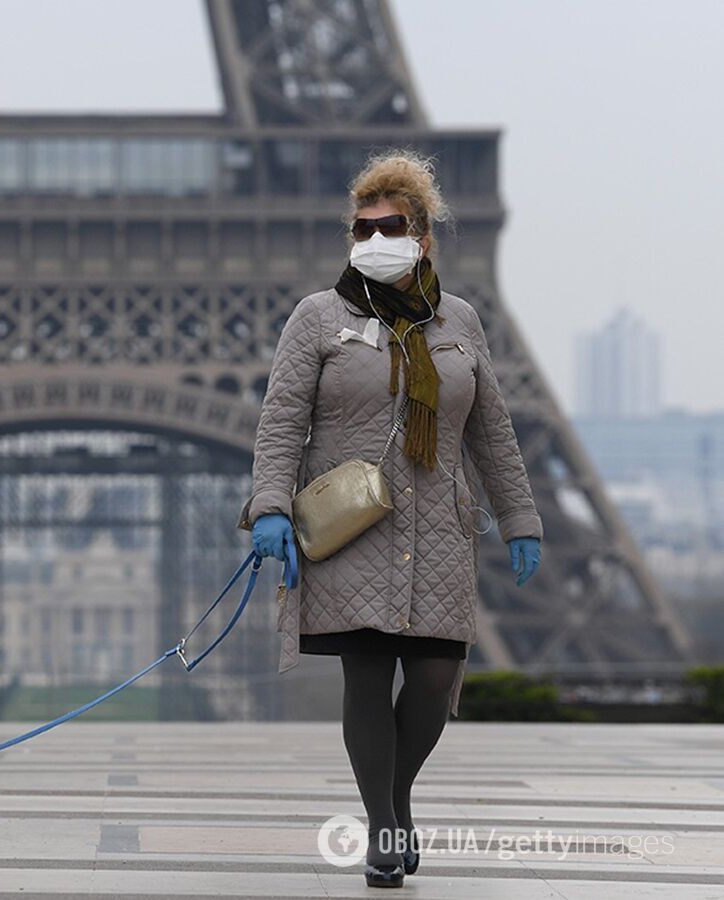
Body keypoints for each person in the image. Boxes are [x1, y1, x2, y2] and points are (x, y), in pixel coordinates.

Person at [243, 151, 542, 888]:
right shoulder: (319, 316)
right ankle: (382, 823)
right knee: (369, 675)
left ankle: (395, 798)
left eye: (391, 226)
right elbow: (282, 422)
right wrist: (270, 509)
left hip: (438, 522)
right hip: (354, 526)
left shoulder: (460, 320)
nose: (375, 238)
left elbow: (493, 431)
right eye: (363, 226)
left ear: (424, 236)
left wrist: (521, 517)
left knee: (436, 676)